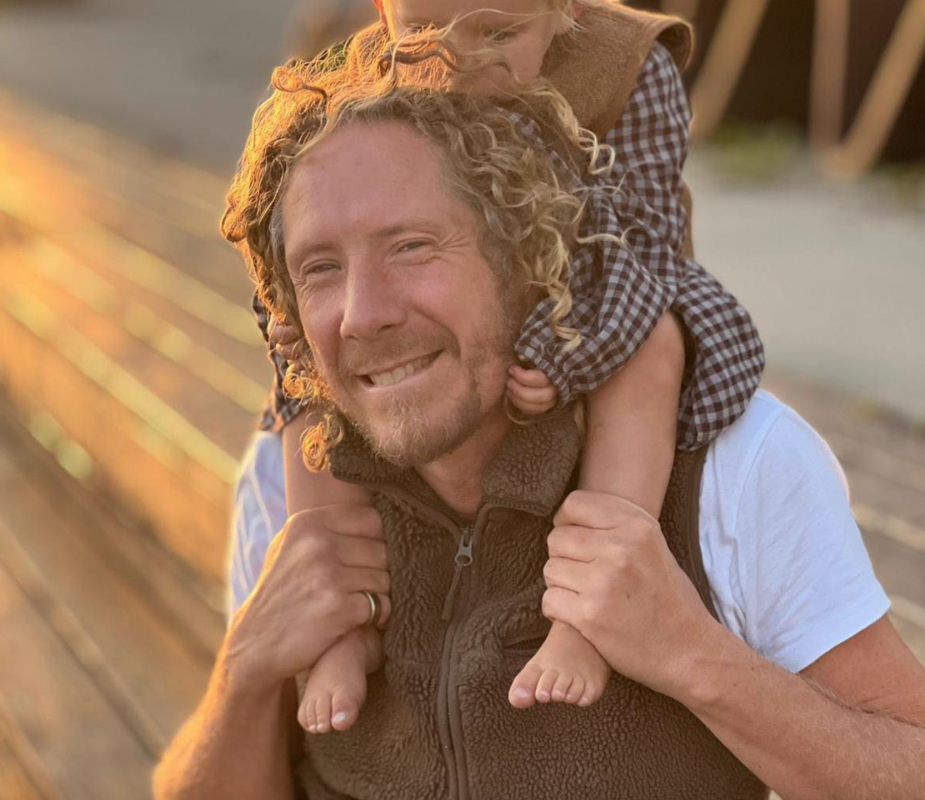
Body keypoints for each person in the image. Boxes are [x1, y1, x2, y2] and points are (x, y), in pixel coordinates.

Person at [153, 46, 925, 800]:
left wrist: (691, 654)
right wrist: (246, 671)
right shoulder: (288, 480)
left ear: (524, 263)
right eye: (321, 268)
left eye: (411, 248)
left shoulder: (735, 466)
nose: (363, 314)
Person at [255, 0, 767, 734]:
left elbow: (643, 237)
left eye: (498, 33)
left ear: (562, 9)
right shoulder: (369, 77)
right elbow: (287, 224)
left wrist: (570, 351)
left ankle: (591, 610)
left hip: (607, 278)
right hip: (449, 289)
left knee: (655, 347)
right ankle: (337, 619)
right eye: (423, 36)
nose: (459, 61)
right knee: (306, 380)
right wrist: (288, 318)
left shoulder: (629, 66)